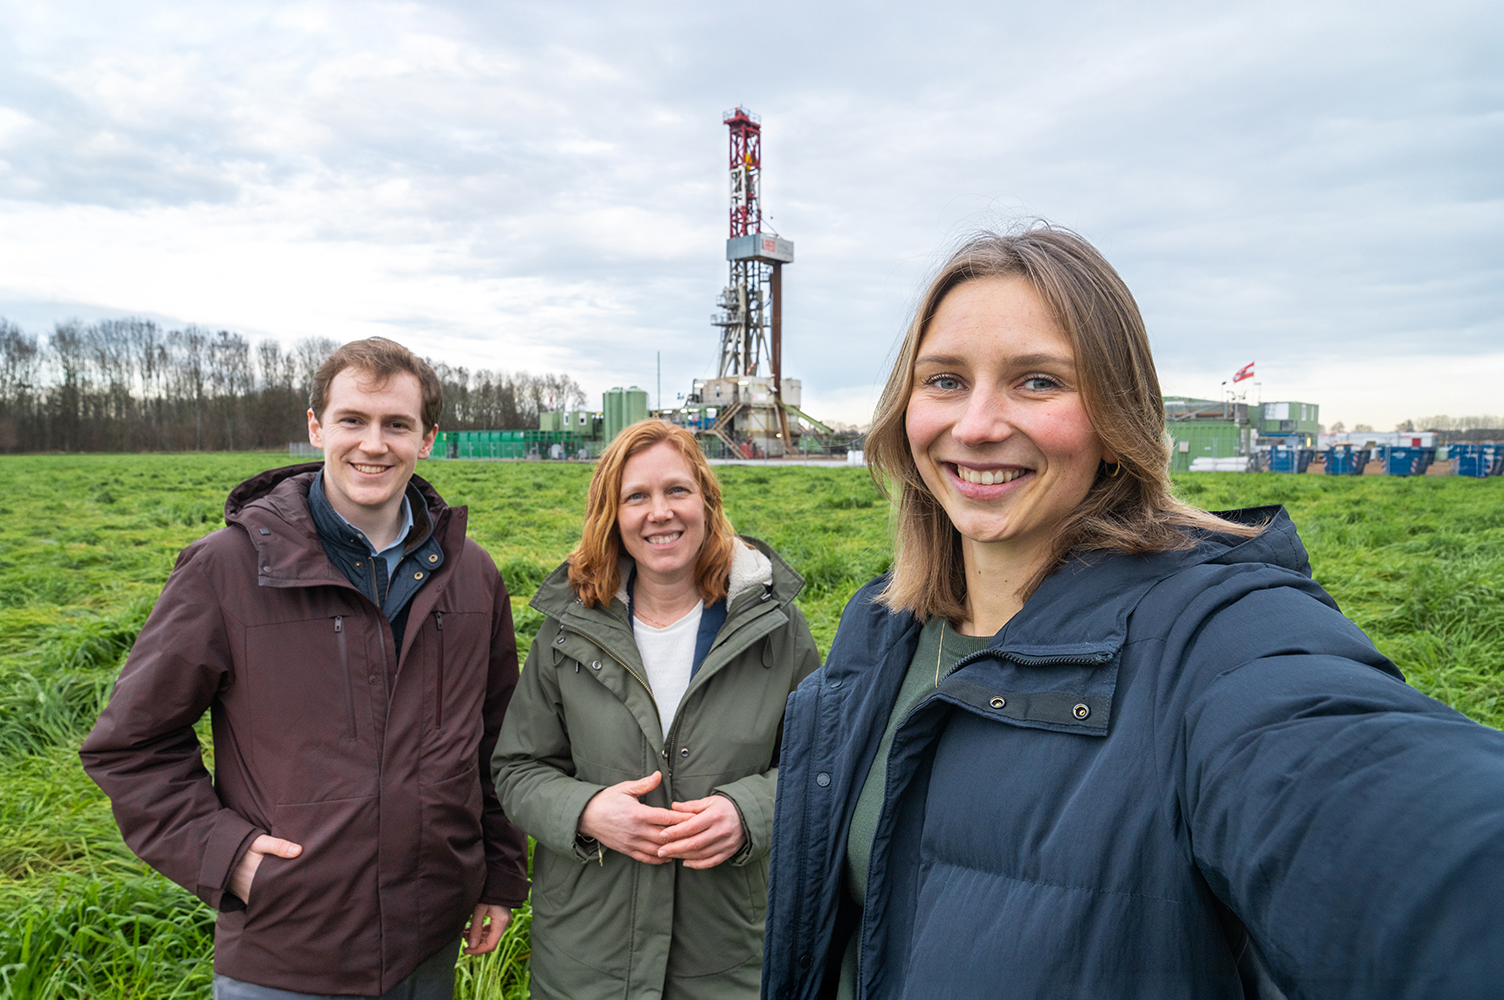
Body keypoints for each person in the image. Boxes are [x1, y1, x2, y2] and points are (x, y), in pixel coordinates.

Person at [760, 225, 1504, 1000]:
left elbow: (1361, 786)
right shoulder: (877, 628)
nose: (976, 425)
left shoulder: (1212, 637)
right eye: (944, 379)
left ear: (1116, 423)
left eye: (1038, 381)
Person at [81, 337, 529, 999]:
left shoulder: (471, 575)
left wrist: (497, 875)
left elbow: (496, 740)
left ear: (427, 439)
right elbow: (130, 745)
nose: (373, 444)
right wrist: (226, 857)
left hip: (428, 944)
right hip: (286, 954)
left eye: (396, 425)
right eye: (352, 420)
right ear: (316, 426)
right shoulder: (225, 569)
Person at [493, 420, 822, 1000]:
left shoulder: (774, 626)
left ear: (705, 500)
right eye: (636, 497)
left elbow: (821, 765)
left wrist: (748, 812)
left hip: (728, 957)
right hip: (586, 959)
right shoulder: (568, 627)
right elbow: (517, 768)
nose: (659, 512)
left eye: (676, 490)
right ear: (612, 515)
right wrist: (587, 811)